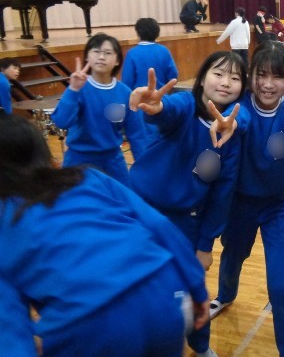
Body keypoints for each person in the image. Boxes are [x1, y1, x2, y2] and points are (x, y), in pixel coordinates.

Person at [0, 112, 210, 357]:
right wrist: (197, 286)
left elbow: (9, 326)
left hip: (87, 322)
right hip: (161, 290)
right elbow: (160, 225)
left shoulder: (5, 224)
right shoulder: (88, 176)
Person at [209, 42, 284, 357]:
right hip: (242, 204)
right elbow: (241, 121)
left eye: (276, 76)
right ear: (251, 76)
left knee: (280, 284)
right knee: (233, 255)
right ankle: (225, 294)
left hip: (281, 206)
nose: (267, 83)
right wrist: (230, 123)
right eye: (261, 75)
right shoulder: (242, 106)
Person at [129, 51, 248, 357]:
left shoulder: (232, 134)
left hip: (187, 223)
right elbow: (166, 111)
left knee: (192, 287)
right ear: (202, 78)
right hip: (142, 213)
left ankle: (200, 345)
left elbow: (223, 192)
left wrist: (206, 244)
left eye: (235, 78)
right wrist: (156, 108)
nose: (226, 82)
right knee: (138, 284)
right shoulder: (184, 105)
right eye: (218, 74)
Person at [51, 33, 146, 187]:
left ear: (117, 60)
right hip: (78, 160)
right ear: (87, 57)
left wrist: (144, 169)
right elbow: (62, 122)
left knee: (123, 198)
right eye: (96, 51)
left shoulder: (125, 93)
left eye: (108, 53)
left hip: (112, 161)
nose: (101, 57)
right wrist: (73, 90)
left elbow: (137, 135)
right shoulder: (79, 89)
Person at [121, 18, 178, 146]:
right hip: (161, 103)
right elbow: (173, 75)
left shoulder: (132, 53)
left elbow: (127, 83)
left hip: (139, 107)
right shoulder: (164, 51)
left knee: (143, 144)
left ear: (138, 32)